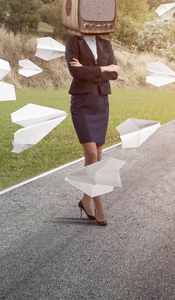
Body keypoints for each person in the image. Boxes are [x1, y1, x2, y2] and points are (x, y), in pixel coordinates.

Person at [65, 33, 119, 226]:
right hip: (82, 103)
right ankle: (99, 205)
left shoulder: (106, 43)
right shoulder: (73, 42)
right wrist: (103, 69)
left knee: (98, 155)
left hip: (101, 102)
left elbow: (115, 74)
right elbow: (76, 73)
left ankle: (85, 200)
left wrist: (91, 70)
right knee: (90, 155)